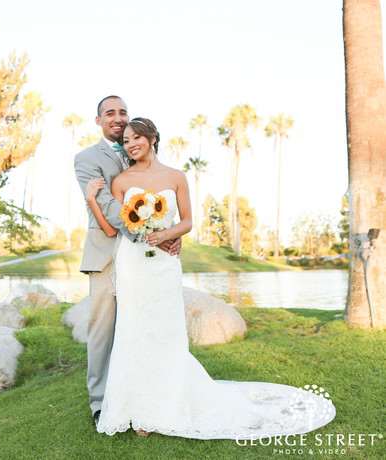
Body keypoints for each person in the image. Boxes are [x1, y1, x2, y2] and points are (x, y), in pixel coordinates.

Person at [85, 116, 336, 439]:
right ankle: (138, 411)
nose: (131, 144)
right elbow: (112, 229)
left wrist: (166, 235)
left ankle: (167, 404)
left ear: (153, 138)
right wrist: (92, 199)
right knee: (133, 330)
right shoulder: (121, 181)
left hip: (163, 265)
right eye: (126, 140)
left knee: (165, 331)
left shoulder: (176, 177)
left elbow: (187, 221)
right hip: (133, 264)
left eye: (137, 138)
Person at [73, 96, 182, 428]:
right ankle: (99, 402)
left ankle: (145, 394)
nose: (118, 118)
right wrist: (152, 234)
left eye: (123, 112)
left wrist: (168, 232)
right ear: (98, 120)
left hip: (145, 258)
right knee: (103, 330)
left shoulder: (138, 151)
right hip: (107, 253)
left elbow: (162, 199)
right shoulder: (87, 159)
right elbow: (107, 205)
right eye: (110, 113)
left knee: (142, 324)